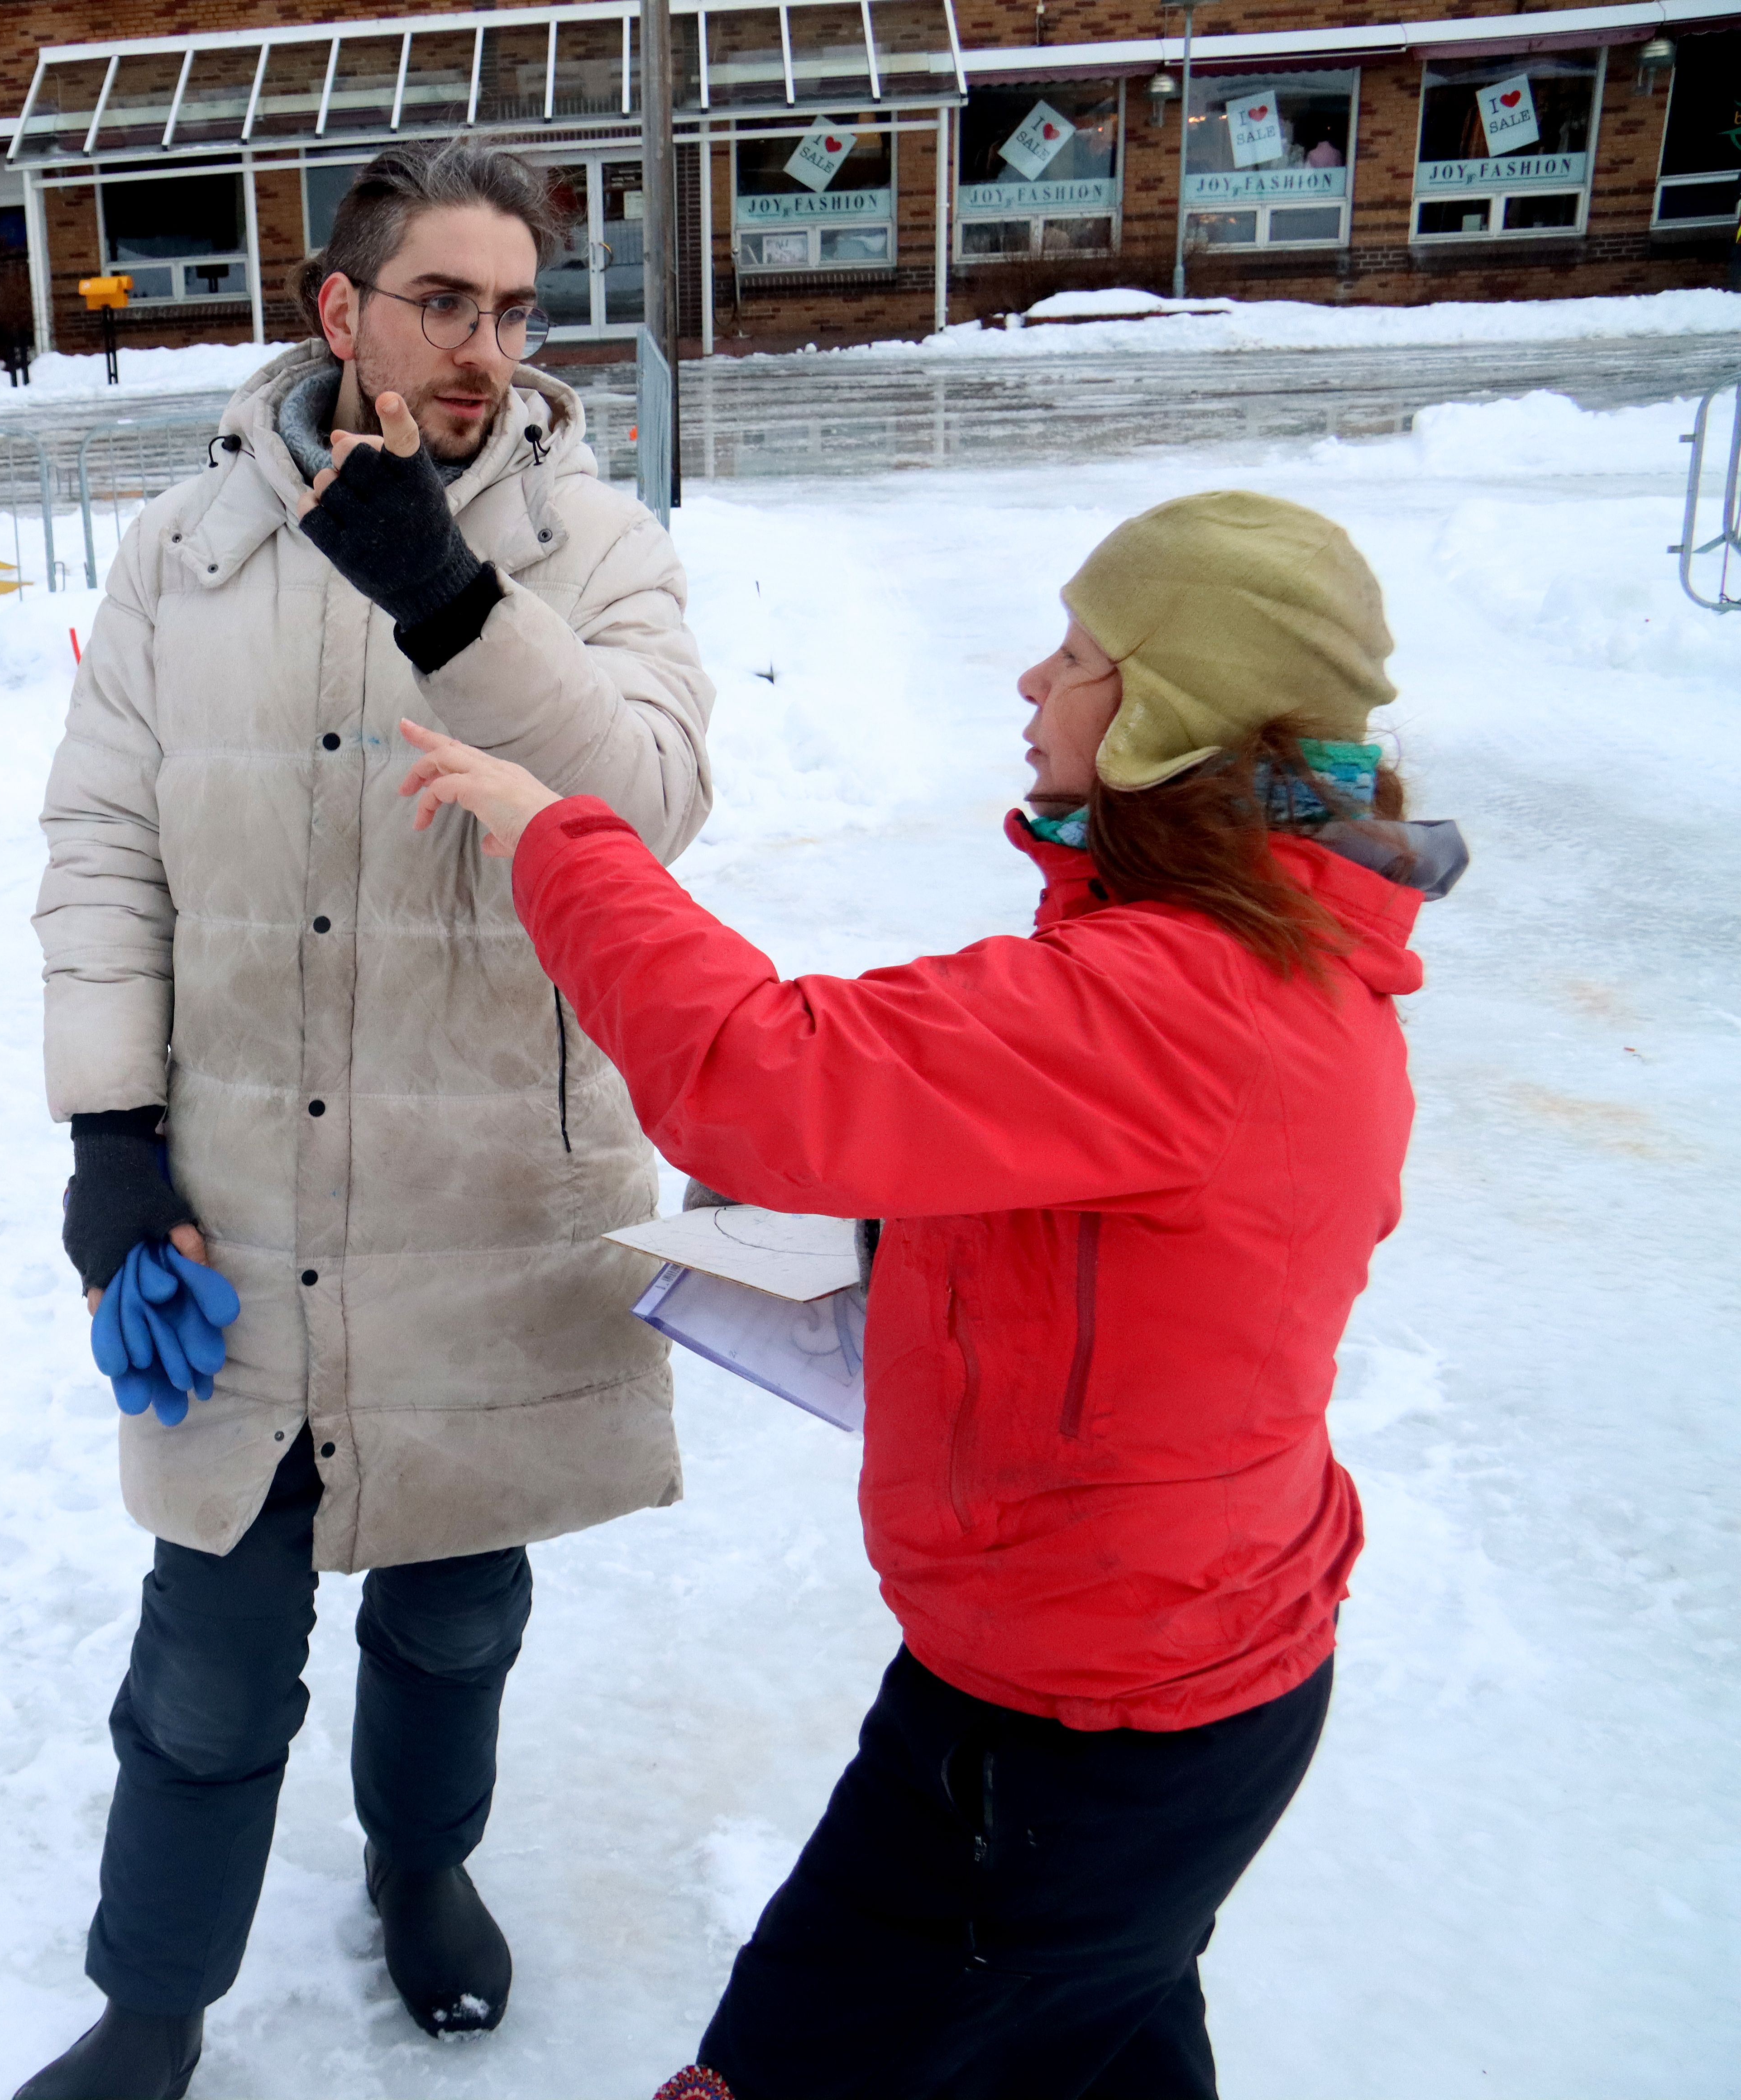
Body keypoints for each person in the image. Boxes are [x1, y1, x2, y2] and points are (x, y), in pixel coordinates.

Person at [398, 490, 1464, 2100]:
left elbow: (759, 1074)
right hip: (1167, 1670)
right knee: (1097, 2039)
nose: (1033, 682)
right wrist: (909, 1257)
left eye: (1080, 656)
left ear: (1172, 713)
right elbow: (1161, 1257)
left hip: (1081, 1731)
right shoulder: (1283, 956)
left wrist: (559, 839)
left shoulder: (1174, 1000)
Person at [23, 137, 714, 2099]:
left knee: (457, 1607)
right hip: (236, 1195)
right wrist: (111, 1137)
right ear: (342, 309)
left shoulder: (594, 544)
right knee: (212, 1645)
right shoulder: (187, 551)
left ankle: (424, 1867)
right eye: (444, 302)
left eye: (515, 309)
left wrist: (450, 594)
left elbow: (651, 808)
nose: (488, 346)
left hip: (485, 1187)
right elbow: (103, 844)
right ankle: (153, 2005)